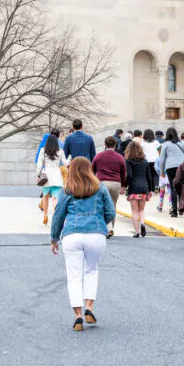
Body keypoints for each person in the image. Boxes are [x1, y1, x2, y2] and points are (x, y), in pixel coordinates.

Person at [50, 157, 116, 331]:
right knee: (91, 270)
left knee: (74, 276)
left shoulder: (66, 190)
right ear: (89, 169)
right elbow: (110, 212)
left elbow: (58, 216)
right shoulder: (99, 188)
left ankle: (78, 315)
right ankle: (89, 307)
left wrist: (54, 238)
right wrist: (100, 222)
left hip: (72, 234)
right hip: (96, 234)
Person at [91, 137, 127, 238]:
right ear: (115, 145)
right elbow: (123, 173)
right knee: (113, 206)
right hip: (115, 183)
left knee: (101, 205)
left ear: (105, 144)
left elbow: (92, 171)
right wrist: (123, 186)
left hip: (102, 182)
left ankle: (103, 228)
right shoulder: (120, 157)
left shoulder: (98, 156)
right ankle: (110, 229)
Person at [37, 132, 70, 225]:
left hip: (46, 176)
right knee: (55, 198)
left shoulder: (43, 150)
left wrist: (37, 175)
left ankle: (45, 216)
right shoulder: (60, 151)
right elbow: (66, 163)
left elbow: (39, 164)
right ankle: (55, 218)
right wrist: (70, 157)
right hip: (57, 176)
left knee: (45, 196)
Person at [156, 127, 184, 218]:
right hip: (182, 167)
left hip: (170, 168)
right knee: (182, 187)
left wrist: (162, 172)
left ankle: (174, 211)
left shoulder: (165, 144)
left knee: (174, 189)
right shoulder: (182, 143)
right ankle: (182, 207)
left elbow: (162, 159)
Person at [124, 140, 154, 238]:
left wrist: (125, 185)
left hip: (134, 187)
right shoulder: (145, 161)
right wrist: (150, 189)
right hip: (144, 186)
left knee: (134, 211)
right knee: (141, 210)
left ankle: (137, 232)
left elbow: (129, 175)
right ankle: (142, 224)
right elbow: (149, 176)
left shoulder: (128, 161)